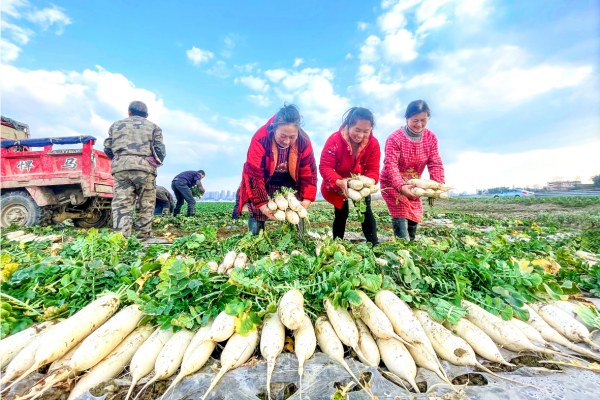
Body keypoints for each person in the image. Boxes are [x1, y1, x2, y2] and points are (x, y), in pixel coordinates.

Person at [233, 104, 317, 235]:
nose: (287, 141)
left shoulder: (304, 141)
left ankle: (299, 239)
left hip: (289, 180)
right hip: (263, 179)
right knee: (257, 211)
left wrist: (307, 198)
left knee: (295, 209)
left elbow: (309, 171)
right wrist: (262, 204)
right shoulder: (261, 138)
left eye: (292, 137)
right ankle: (255, 239)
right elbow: (254, 174)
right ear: (274, 128)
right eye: (283, 136)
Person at [380, 100, 445, 241]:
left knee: (414, 214)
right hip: (392, 182)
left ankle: (411, 246)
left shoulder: (431, 138)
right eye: (415, 120)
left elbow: (435, 162)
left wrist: (437, 186)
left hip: (415, 183)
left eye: (423, 120)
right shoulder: (394, 138)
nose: (419, 124)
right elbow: (390, 164)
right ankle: (402, 247)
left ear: (428, 118)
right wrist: (401, 186)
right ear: (407, 118)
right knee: (401, 211)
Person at [104, 100, 165, 239]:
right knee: (146, 203)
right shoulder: (154, 127)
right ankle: (143, 235)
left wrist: (120, 159)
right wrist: (155, 162)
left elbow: (107, 148)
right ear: (146, 114)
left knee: (121, 204)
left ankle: (120, 237)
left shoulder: (116, 125)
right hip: (145, 168)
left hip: (122, 169)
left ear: (129, 112)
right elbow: (160, 150)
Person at [319, 107, 380, 245]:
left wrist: (368, 181)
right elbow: (325, 166)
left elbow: (373, 169)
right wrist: (338, 181)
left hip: (359, 185)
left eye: (366, 131)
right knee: (341, 213)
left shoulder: (373, 144)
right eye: (357, 130)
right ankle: (337, 244)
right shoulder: (334, 140)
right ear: (348, 125)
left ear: (371, 129)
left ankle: (374, 244)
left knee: (366, 212)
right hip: (339, 184)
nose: (361, 135)